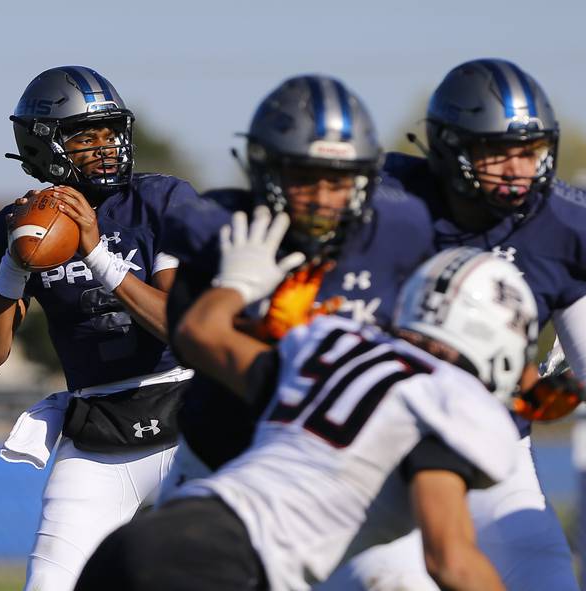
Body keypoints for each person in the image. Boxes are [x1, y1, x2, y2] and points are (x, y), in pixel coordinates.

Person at [74, 212, 541, 591]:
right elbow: (452, 563)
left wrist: (238, 283)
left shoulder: (334, 342)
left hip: (148, 537)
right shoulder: (453, 400)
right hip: (221, 568)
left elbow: (199, 335)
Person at [330, 58, 586, 591]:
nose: (519, 169)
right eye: (499, 152)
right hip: (378, 447)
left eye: (531, 151)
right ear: (450, 148)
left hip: (494, 443)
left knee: (549, 578)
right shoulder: (387, 206)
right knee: (395, 581)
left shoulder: (562, 226)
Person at [0, 66, 199, 591]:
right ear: (43, 146)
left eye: (109, 131)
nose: (105, 146)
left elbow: (179, 328)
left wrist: (95, 253)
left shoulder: (160, 202)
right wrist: (13, 267)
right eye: (84, 136)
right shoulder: (17, 226)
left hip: (191, 423)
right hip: (98, 433)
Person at [152, 74, 435, 498]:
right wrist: (234, 287)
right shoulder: (218, 232)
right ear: (267, 172)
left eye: (338, 180)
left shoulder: (399, 229)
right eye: (305, 178)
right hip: (227, 462)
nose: (322, 198)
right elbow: (190, 338)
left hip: (351, 473)